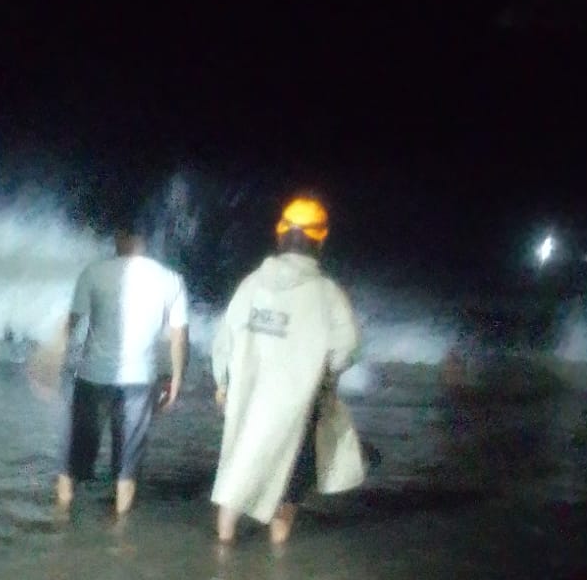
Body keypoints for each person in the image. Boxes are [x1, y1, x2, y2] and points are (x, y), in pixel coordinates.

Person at [211, 195, 361, 545]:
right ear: (320, 239)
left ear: (281, 235)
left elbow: (224, 341)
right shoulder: (328, 294)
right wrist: (323, 376)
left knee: (236, 472)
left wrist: (222, 383)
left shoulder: (251, 284)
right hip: (299, 407)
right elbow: (347, 348)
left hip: (246, 401)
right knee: (289, 485)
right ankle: (276, 564)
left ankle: (223, 553)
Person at [56, 220, 189, 517]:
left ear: (121, 235)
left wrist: (55, 362)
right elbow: (179, 336)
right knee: (128, 463)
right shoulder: (171, 279)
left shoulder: (94, 272)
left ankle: (62, 519)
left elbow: (73, 323)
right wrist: (177, 378)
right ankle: (120, 529)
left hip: (92, 377)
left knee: (73, 458)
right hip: (141, 381)